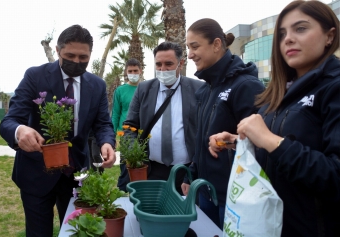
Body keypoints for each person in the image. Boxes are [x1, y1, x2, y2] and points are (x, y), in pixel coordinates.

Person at [209, 1, 340, 236]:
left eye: (300, 29)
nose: (288, 39)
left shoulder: (333, 88)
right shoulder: (277, 94)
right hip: (267, 226)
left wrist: (268, 139)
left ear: (329, 36)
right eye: (282, 34)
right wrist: (237, 142)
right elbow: (277, 151)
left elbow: (334, 176)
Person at [0, 25, 116, 237]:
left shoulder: (97, 85)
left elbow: (103, 124)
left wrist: (107, 142)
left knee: (75, 232)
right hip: (36, 172)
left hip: (76, 174)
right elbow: (9, 121)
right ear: (58, 50)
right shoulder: (35, 76)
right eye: (70, 55)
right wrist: (20, 130)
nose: (77, 61)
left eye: (83, 57)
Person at [181, 18, 265, 230]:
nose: (190, 54)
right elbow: (202, 140)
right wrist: (192, 176)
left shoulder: (246, 86)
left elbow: (261, 144)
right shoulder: (205, 90)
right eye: (188, 47)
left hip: (234, 197)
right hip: (206, 192)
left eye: (195, 46)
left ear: (217, 44)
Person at [121, 41, 204, 194]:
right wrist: (135, 156)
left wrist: (195, 168)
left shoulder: (197, 89)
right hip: (151, 170)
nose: (163, 69)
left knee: (183, 215)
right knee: (151, 213)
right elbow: (130, 126)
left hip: (186, 172)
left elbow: (205, 131)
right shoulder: (144, 89)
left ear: (181, 63)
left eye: (168, 64)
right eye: (158, 64)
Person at [113, 58, 142, 191]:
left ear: (140, 71)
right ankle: (123, 191)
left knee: (142, 163)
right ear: (126, 72)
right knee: (125, 164)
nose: (133, 73)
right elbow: (116, 114)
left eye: (135, 70)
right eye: (130, 71)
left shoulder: (145, 88)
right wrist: (112, 136)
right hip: (125, 133)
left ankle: (141, 189)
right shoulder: (120, 91)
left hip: (143, 133)